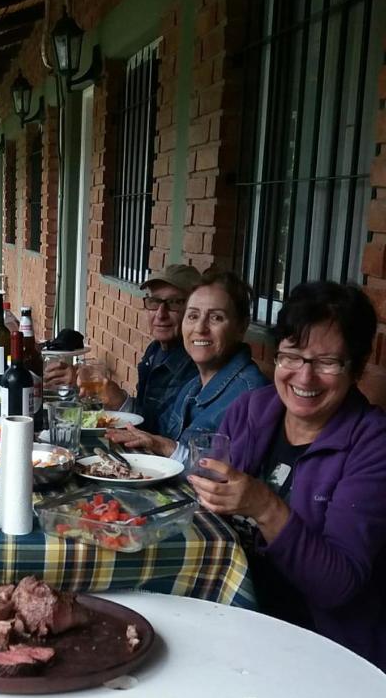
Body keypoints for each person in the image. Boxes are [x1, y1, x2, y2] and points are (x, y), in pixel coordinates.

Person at [188, 281, 386, 670]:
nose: (304, 377)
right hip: (233, 615)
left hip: (323, 649)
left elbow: (337, 585)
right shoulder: (251, 409)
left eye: (327, 362)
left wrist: (264, 505)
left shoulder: (373, 446)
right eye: (291, 356)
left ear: (358, 367)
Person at [107, 271, 268, 460]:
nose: (200, 328)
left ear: (241, 327)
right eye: (193, 316)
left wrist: (169, 448)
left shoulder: (251, 396)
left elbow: (229, 479)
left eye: (216, 318)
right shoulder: (192, 387)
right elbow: (153, 434)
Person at [45, 264, 202, 432]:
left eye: (174, 303)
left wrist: (121, 401)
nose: (160, 314)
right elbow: (148, 413)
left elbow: (164, 434)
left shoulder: (195, 365)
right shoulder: (155, 350)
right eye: (154, 302)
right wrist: (79, 380)